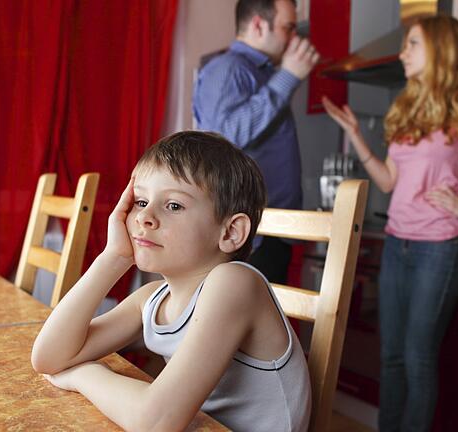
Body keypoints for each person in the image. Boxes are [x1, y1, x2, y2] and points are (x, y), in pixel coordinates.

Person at [322, 14, 458, 432]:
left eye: (412, 44)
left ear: (441, 49)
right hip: (397, 242)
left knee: (419, 357)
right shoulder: (407, 105)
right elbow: (388, 181)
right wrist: (356, 136)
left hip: (439, 247)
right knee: (392, 357)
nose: (403, 53)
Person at [31, 131, 312, 432]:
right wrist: (113, 257)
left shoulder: (235, 283)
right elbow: (48, 357)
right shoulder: (152, 298)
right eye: (140, 201)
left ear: (230, 233)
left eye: (174, 205)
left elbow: (156, 422)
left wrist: (81, 375)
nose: (144, 218)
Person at [192, 0, 319, 285]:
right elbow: (220, 138)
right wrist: (288, 77)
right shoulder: (229, 68)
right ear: (259, 25)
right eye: (288, 28)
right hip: (253, 237)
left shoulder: (260, 72)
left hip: (268, 232)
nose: (293, 38)